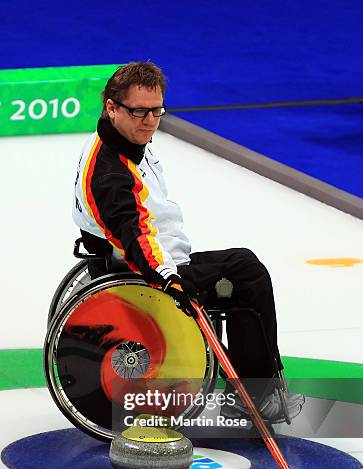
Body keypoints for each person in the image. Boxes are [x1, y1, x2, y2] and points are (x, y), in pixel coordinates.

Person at [72, 61, 303, 429]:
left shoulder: (123, 138)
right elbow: (135, 240)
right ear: (111, 107)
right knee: (247, 275)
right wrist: (169, 277)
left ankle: (255, 389)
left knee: (242, 263)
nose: (150, 122)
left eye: (156, 111)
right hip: (149, 271)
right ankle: (257, 396)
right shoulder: (111, 175)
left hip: (158, 256)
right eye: (139, 112)